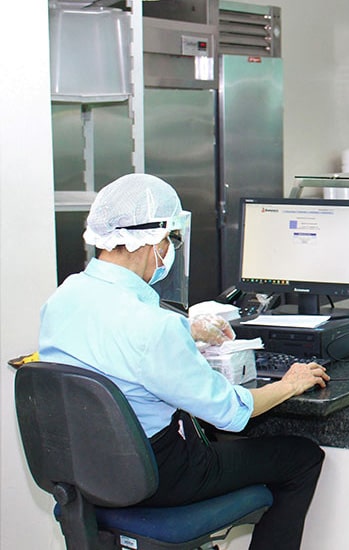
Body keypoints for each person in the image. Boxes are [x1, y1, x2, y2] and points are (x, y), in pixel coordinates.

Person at [38, 174, 330, 550]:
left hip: (85, 474)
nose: (170, 249)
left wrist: (186, 330)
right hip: (156, 476)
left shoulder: (62, 299)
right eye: (171, 239)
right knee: (301, 458)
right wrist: (292, 382)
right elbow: (231, 412)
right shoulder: (153, 328)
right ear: (153, 242)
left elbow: (112, 341)